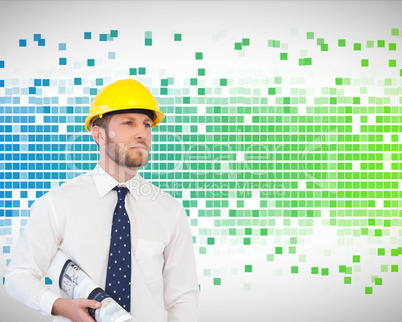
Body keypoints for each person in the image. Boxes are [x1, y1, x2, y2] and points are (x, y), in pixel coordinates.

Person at [4, 79, 199, 322]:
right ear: (99, 134)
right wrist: (61, 307)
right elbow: (18, 275)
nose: (142, 133)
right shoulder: (58, 203)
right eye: (129, 123)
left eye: (147, 125)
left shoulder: (170, 210)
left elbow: (182, 298)